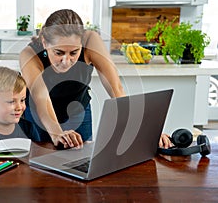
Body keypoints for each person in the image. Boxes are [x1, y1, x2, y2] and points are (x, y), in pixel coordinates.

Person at [19, 9, 171, 149]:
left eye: (73, 53)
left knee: (82, 161)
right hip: (40, 113)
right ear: (45, 43)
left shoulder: (91, 40)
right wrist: (57, 133)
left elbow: (116, 88)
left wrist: (146, 131)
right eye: (59, 53)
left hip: (77, 109)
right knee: (43, 164)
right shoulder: (29, 54)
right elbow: (40, 96)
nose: (66, 61)